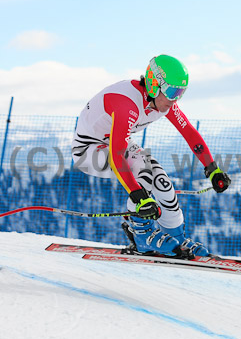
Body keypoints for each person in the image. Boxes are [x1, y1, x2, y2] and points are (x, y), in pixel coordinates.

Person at [71, 55, 230, 258]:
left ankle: (177, 238)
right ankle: (142, 235)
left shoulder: (163, 102)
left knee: (162, 180)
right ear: (155, 84)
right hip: (88, 150)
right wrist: (138, 196)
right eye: (172, 91)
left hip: (114, 144)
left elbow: (189, 133)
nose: (175, 99)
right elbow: (117, 155)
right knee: (142, 168)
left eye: (180, 93)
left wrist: (212, 168)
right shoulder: (126, 103)